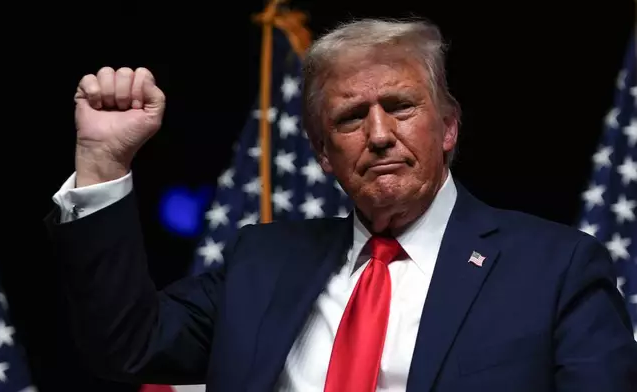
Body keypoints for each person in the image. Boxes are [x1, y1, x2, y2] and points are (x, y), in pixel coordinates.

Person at [46, 18, 637, 392]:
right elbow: (125, 347)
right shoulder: (262, 262)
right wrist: (103, 162)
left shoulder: (556, 270)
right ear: (324, 154)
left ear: (449, 128)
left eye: (401, 107)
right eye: (350, 118)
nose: (378, 134)